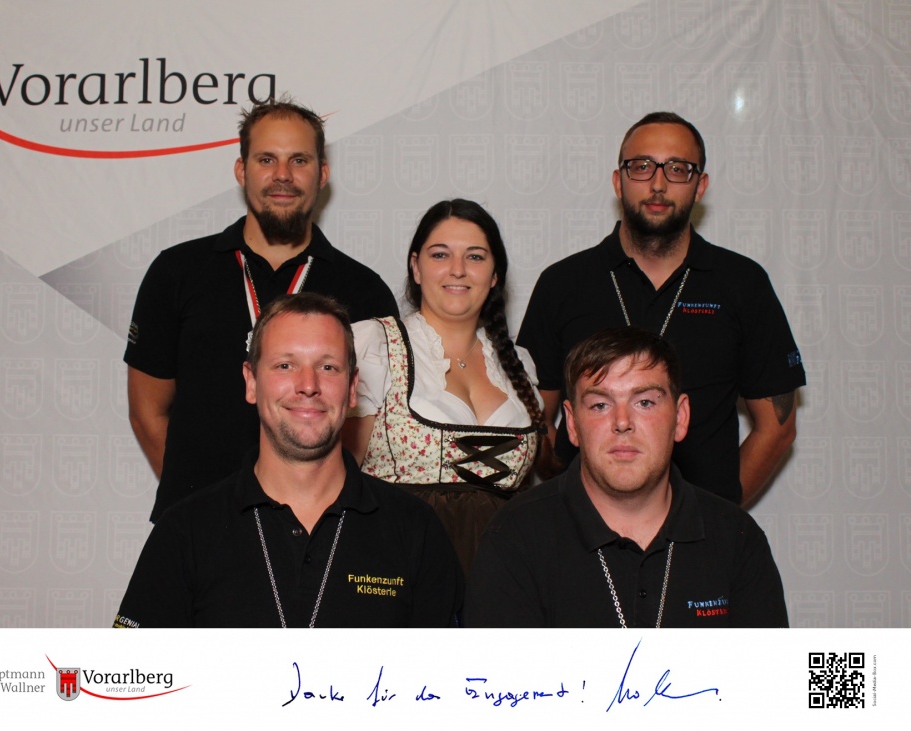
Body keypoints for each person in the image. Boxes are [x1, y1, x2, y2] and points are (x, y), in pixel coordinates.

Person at [125, 97, 399, 523]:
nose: (283, 175)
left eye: (299, 160)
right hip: (198, 528)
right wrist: (198, 508)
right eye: (267, 159)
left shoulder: (364, 291)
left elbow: (370, 427)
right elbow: (148, 412)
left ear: (322, 174)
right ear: (242, 170)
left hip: (319, 528)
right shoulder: (177, 272)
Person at [114, 293, 462, 628]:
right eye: (285, 365)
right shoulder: (186, 531)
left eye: (328, 367)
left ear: (352, 387)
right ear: (251, 382)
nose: (308, 385)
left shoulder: (415, 530)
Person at [517, 112, 805, 506]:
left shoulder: (742, 283)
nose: (657, 183)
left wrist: (719, 514)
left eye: (677, 169)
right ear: (618, 181)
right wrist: (567, 499)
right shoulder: (564, 283)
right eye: (641, 166)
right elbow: (533, 421)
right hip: (579, 530)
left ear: (700, 186)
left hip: (699, 532)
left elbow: (778, 427)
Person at [465, 327, 789, 628]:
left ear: (680, 417)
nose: (622, 422)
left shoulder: (737, 538)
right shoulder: (515, 537)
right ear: (573, 425)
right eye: (600, 405)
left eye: (644, 402)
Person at [343, 199, 552, 576]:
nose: (457, 269)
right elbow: (338, 479)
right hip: (397, 568)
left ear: (495, 274)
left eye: (475, 257)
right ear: (416, 267)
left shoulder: (518, 362)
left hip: (503, 577)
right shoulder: (375, 345)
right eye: (440, 254)